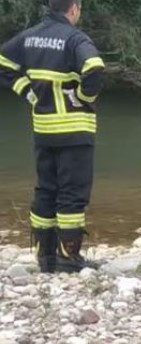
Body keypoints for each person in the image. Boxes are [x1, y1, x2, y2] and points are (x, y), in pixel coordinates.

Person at [0, 0, 104, 273]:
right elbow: (94, 67)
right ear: (74, 9)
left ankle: (45, 257)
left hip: (44, 128)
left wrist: (27, 92)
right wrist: (84, 96)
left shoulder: (30, 36)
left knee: (46, 189)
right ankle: (68, 258)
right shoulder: (74, 38)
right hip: (74, 128)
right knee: (72, 194)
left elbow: (3, 62)